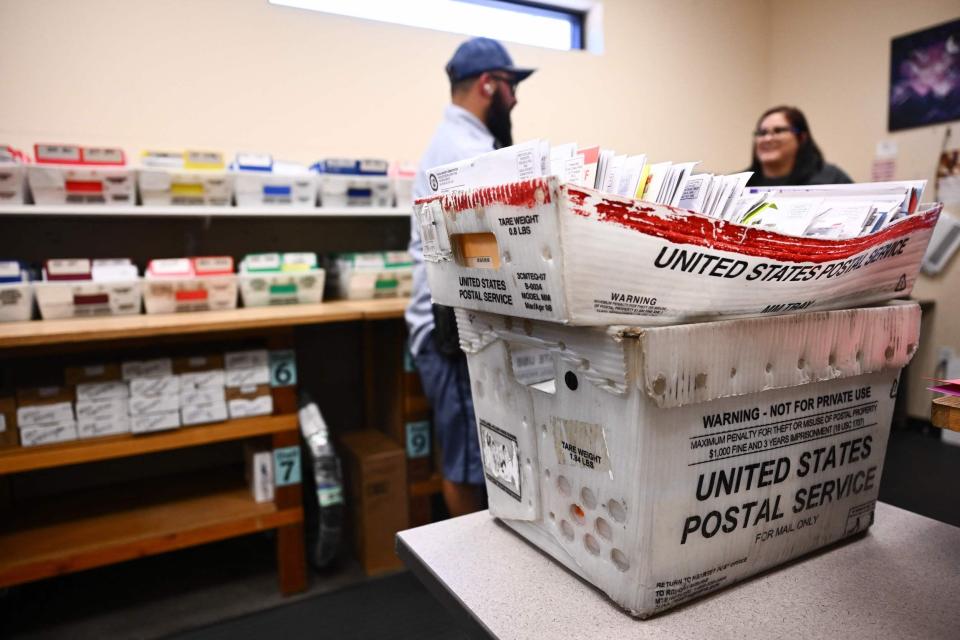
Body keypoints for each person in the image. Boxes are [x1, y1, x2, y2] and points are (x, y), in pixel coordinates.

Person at [406, 37, 534, 516]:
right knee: (466, 462)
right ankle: (468, 585)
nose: (516, 97)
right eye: (511, 85)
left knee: (474, 454)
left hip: (457, 327)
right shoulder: (465, 152)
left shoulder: (464, 143)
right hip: (450, 333)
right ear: (488, 84)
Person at [746, 106, 852, 187]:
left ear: (801, 137)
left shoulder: (831, 179)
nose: (767, 139)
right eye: (762, 133)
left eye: (778, 131)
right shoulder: (739, 184)